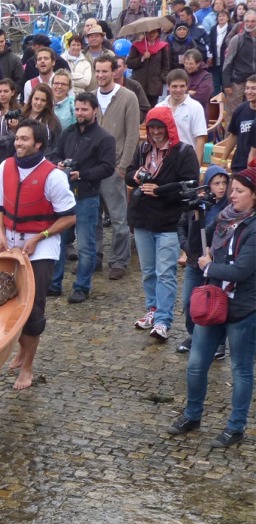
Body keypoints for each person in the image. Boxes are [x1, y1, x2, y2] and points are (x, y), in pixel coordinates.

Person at [168, 167, 256, 447]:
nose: (233, 195)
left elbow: (242, 270)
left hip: (242, 308)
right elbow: (197, 244)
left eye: (240, 191)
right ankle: (193, 415)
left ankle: (236, 426)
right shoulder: (224, 217)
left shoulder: (254, 228)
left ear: (254, 196)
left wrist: (210, 266)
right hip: (214, 303)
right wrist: (197, 216)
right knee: (195, 365)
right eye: (232, 190)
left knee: (240, 369)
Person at [0, 119, 76, 390]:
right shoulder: (5, 167)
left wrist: (40, 238)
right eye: (17, 138)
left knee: (33, 310)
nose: (18, 143)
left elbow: (69, 217)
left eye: (25, 139)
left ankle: (27, 368)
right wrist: (1, 236)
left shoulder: (53, 176)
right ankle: (20, 349)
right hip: (11, 245)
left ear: (38, 143)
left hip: (41, 248)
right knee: (9, 305)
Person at [126, 106, 201, 342]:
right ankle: (153, 309)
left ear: (169, 128)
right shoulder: (143, 149)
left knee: (165, 273)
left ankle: (163, 321)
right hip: (143, 220)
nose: (156, 132)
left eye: (160, 128)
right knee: (148, 271)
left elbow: (189, 184)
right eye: (152, 128)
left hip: (169, 221)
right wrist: (135, 176)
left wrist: (160, 191)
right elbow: (127, 173)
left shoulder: (183, 152)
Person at [48, 92, 116, 302]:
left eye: (84, 109)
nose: (80, 113)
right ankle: (54, 283)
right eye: (77, 109)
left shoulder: (104, 138)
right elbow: (56, 153)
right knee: (57, 241)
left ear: (94, 110)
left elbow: (107, 167)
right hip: (64, 195)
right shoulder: (68, 131)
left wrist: (83, 174)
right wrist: (59, 164)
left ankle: (82, 286)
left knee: (86, 245)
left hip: (87, 195)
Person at [94, 54, 141, 280]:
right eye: (98, 71)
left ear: (114, 71)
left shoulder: (127, 97)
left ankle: (119, 260)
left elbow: (132, 135)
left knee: (118, 219)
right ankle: (94, 256)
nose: (101, 75)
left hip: (114, 167)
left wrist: (123, 167)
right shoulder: (92, 98)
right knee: (92, 217)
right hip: (92, 169)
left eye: (105, 71)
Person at [176, 165, 230, 354]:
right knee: (189, 301)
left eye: (224, 183)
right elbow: (182, 225)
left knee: (217, 302)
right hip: (194, 261)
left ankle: (219, 342)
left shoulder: (228, 209)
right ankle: (194, 335)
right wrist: (185, 246)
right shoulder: (197, 204)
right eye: (216, 183)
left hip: (215, 264)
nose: (221, 187)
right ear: (207, 185)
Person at [158, 68, 208, 161]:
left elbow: (200, 139)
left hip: (187, 160)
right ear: (168, 87)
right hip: (164, 161)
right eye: (174, 86)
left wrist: (196, 166)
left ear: (187, 87)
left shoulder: (195, 107)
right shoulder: (159, 108)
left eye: (182, 86)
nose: (178, 90)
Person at [222, 10, 256, 119]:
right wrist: (226, 84)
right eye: (247, 21)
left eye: (253, 21)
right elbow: (227, 62)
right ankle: (230, 136)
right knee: (233, 115)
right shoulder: (237, 39)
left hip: (254, 82)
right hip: (237, 83)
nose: (250, 24)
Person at [128, 28, 171, 105]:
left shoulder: (162, 47)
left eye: (154, 32)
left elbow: (166, 65)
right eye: (149, 32)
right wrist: (142, 58)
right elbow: (129, 63)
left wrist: (162, 77)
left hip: (155, 85)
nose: (151, 34)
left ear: (158, 33)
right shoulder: (136, 46)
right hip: (139, 83)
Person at [222, 74, 256, 172]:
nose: (249, 92)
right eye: (247, 88)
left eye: (253, 88)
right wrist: (223, 159)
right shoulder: (240, 109)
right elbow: (233, 136)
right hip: (239, 164)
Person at [22, 83, 62, 154]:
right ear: (31, 99)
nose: (39, 103)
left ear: (47, 103)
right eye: (36, 99)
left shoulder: (53, 121)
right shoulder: (21, 116)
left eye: (43, 100)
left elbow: (56, 146)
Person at [209, 8, 233, 93]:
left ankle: (224, 105)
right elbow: (210, 43)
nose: (221, 18)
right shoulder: (213, 29)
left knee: (225, 86)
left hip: (227, 61)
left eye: (223, 16)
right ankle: (216, 105)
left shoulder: (231, 29)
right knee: (215, 86)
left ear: (228, 18)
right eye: (219, 16)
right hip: (215, 61)